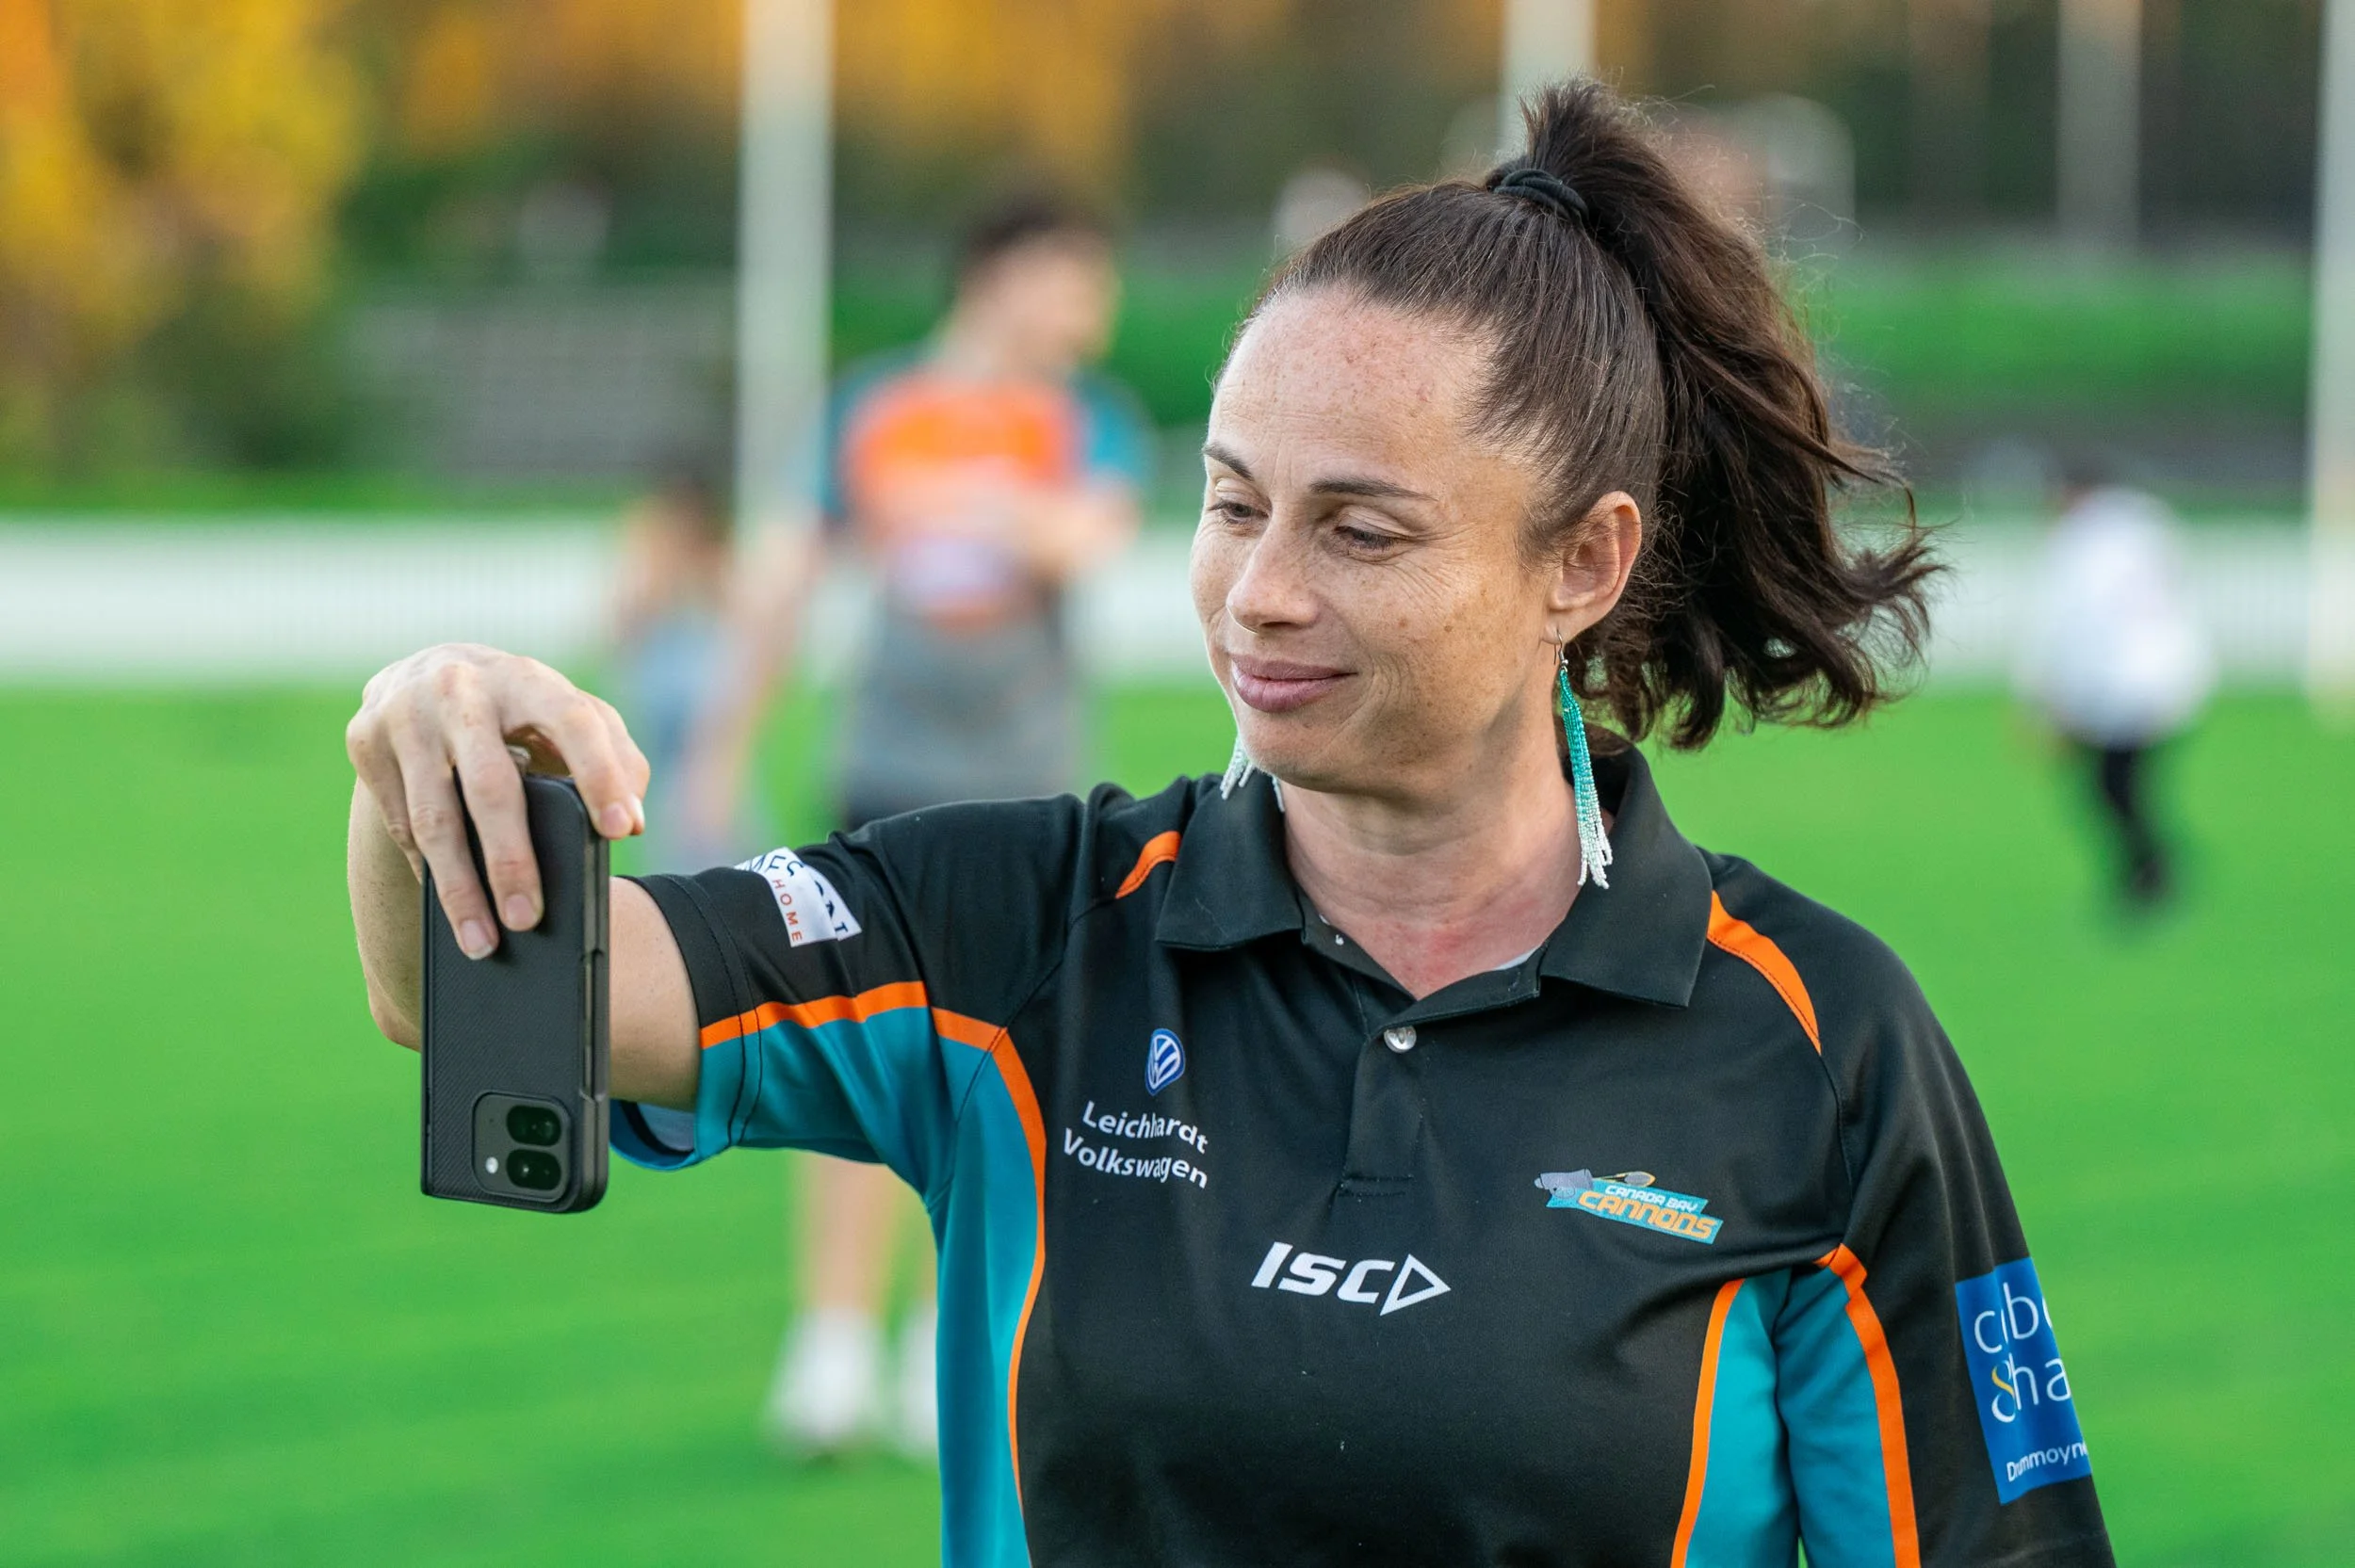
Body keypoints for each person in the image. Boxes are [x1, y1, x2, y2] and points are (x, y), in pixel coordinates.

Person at [347, 80, 2115, 1568]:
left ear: (1584, 563)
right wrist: (421, 745)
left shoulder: (1814, 1044)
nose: (1258, 592)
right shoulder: (1019, 928)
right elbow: (486, 991)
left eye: (1360, 530)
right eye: (1232, 504)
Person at [681, 194, 1150, 1457]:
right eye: (1075, 279)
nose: (1093, 310)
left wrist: (960, 503)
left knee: (996, 1075)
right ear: (1002, 275)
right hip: (884, 779)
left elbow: (1085, 538)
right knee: (850, 1056)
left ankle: (944, 1347)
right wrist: (719, 746)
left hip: (1029, 798)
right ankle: (828, 1344)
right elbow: (784, 581)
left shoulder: (1086, 421)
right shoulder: (872, 410)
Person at [2017, 467, 2213, 910]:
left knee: (2110, 786)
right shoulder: (2146, 525)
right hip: (2170, 674)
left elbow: (2072, 622)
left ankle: (2150, 872)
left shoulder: (2081, 543)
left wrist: (2050, 699)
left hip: (2115, 680)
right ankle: (2148, 871)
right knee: (2120, 785)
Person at [604, 464, 766, 873]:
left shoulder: (719, 577)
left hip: (705, 742)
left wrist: (718, 766)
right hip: (661, 747)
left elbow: (738, 676)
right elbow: (621, 634)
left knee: (718, 856)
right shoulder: (651, 579)